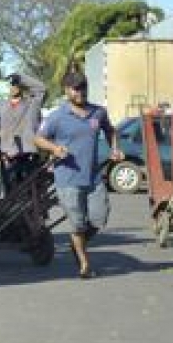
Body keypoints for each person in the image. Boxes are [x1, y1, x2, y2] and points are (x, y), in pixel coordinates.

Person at [33, 72, 122, 279]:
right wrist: (54, 148)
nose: (80, 91)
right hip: (68, 180)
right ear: (66, 91)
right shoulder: (57, 116)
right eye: (75, 88)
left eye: (83, 87)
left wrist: (114, 148)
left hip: (93, 177)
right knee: (77, 223)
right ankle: (83, 263)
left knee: (100, 217)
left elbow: (111, 131)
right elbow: (38, 139)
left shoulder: (98, 112)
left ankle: (78, 243)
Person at [0, 72, 46, 194]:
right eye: (11, 84)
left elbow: (41, 88)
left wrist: (21, 78)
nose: (14, 86)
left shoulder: (33, 103)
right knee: (11, 197)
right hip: (8, 158)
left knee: (33, 196)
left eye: (16, 84)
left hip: (30, 158)